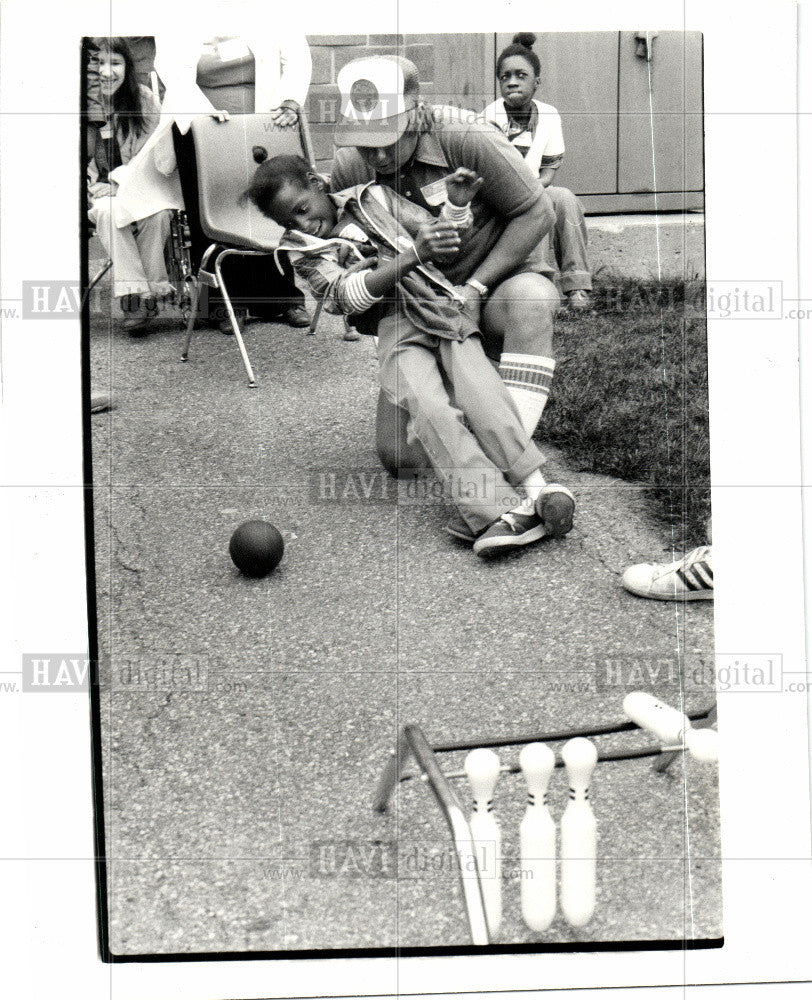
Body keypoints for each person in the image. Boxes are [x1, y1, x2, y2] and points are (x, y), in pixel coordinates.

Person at [242, 154, 576, 555]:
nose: (301, 224)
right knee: (428, 407)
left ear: (316, 183)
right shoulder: (300, 249)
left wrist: (455, 205)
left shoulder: (374, 198)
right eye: (287, 222)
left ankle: (537, 489)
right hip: (396, 323)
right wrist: (411, 256)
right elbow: (344, 298)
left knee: (481, 390)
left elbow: (442, 238)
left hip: (442, 303)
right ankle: (494, 510)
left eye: (301, 209)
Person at [329, 56, 574, 537]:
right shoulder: (347, 166)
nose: (375, 157)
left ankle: (512, 473)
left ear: (416, 109)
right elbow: (341, 256)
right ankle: (483, 438)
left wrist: (477, 286)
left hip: (495, 282)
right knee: (399, 458)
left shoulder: (468, 135)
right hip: (417, 305)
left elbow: (537, 211)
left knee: (532, 299)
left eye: (388, 139)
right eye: (365, 141)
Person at [151, 24, 313, 330]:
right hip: (199, 124)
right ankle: (222, 305)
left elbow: (296, 54)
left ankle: (281, 299)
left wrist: (291, 100)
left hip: (263, 123)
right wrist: (203, 110)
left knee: (270, 205)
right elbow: (169, 67)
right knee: (212, 211)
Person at [481, 33, 592, 311]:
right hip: (498, 199)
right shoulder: (489, 118)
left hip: (535, 186)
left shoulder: (549, 115)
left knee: (563, 198)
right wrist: (526, 196)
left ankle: (576, 286)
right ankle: (539, 284)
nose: (512, 81)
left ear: (537, 82)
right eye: (505, 77)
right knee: (535, 207)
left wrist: (535, 189)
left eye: (521, 75)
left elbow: (549, 169)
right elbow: (488, 173)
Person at [86, 37, 174, 335]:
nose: (107, 72)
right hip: (97, 191)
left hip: (139, 186)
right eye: (99, 63)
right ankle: (138, 295)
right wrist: (94, 187)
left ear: (127, 66)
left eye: (115, 63)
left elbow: (149, 157)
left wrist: (119, 183)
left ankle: (144, 290)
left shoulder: (145, 100)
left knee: (159, 215)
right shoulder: (80, 105)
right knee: (109, 213)